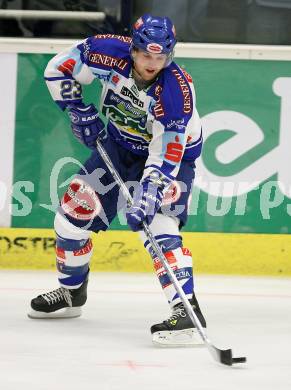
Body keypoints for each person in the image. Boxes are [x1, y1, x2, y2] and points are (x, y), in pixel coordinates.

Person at [28, 13, 206, 347]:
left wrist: (150, 193)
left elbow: (167, 153)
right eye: (146, 55)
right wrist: (75, 107)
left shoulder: (176, 93)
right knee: (71, 218)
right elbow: (58, 68)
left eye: (161, 57)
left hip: (173, 159)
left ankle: (185, 310)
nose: (153, 64)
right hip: (118, 144)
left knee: (159, 227)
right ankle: (71, 293)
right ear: (134, 48)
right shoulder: (105, 51)